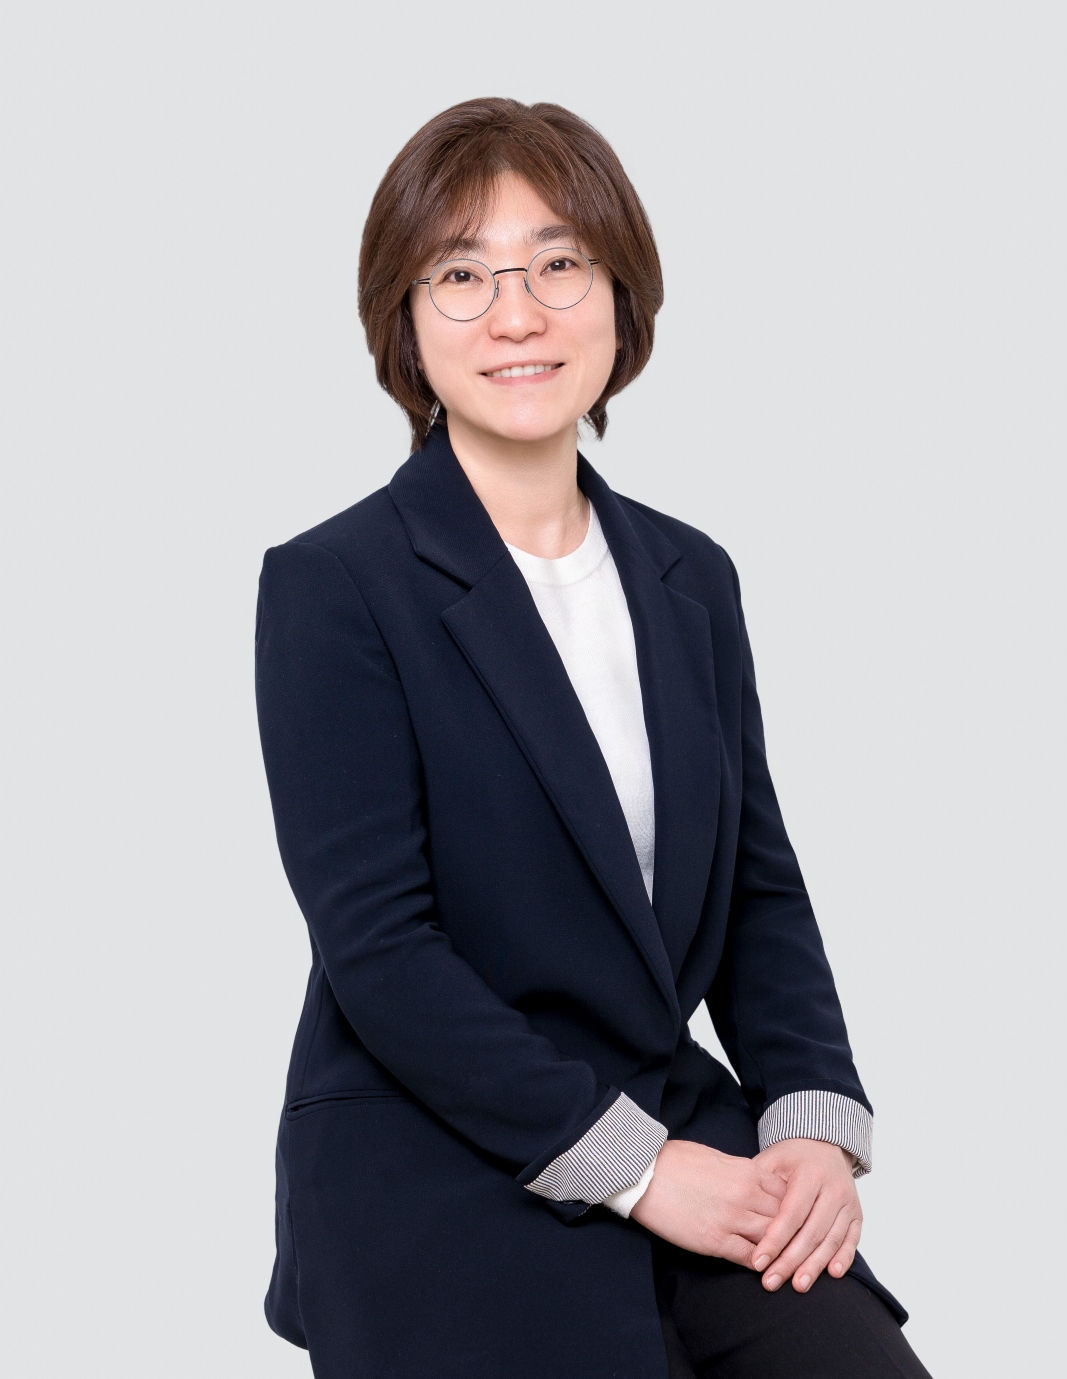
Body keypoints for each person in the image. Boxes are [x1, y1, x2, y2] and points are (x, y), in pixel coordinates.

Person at [255, 97, 931, 1379]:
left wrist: (808, 1122)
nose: (516, 314)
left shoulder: (690, 576)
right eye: (461, 274)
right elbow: (381, 951)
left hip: (684, 1128)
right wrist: (641, 1170)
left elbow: (756, 887)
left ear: (620, 297)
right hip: (438, 1159)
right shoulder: (334, 584)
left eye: (557, 263)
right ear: (405, 321)